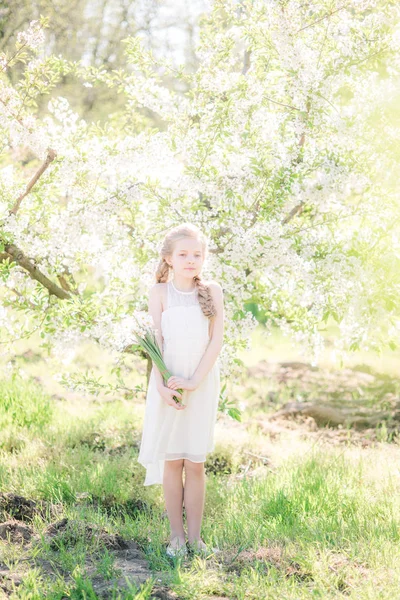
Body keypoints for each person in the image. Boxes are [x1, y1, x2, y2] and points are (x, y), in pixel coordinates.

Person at [137, 222, 224, 558]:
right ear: (169, 258)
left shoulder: (212, 291)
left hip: (200, 383)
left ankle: (197, 539)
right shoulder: (159, 293)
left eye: (197, 254)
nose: (191, 260)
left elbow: (216, 340)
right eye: (184, 254)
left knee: (195, 462)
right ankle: (176, 537)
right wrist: (161, 385)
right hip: (169, 382)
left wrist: (194, 381)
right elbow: (156, 342)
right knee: (173, 460)